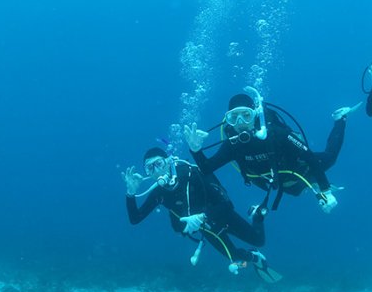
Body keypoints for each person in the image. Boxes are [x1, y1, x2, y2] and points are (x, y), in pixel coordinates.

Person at [184, 86, 349, 215]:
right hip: (275, 182)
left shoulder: (277, 134)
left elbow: (310, 158)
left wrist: (326, 190)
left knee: (330, 157)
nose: (240, 122)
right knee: (295, 191)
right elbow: (206, 168)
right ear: (229, 121)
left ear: (255, 115)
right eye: (234, 118)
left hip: (299, 169)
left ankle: (340, 119)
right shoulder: (232, 145)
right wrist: (195, 150)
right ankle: (309, 185)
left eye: (246, 115)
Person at [122, 147, 279, 281]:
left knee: (259, 240)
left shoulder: (194, 173)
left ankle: (257, 215)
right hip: (207, 228)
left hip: (222, 215)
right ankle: (255, 257)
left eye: (158, 164)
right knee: (236, 258)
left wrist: (202, 216)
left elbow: (227, 204)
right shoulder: (159, 193)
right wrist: (130, 193)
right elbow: (135, 219)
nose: (156, 171)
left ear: (168, 161)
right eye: (149, 168)